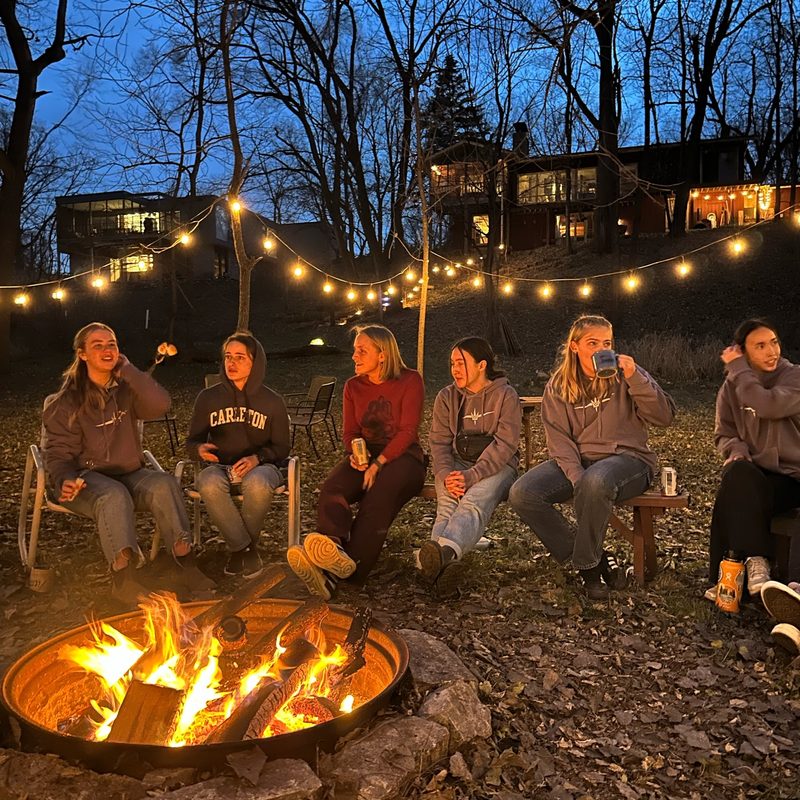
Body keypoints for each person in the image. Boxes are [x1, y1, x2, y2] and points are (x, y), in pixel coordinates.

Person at [43, 322, 215, 606]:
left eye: (111, 344)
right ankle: (123, 579)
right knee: (113, 495)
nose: (107, 349)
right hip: (87, 479)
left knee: (164, 484)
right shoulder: (65, 402)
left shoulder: (125, 389)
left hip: (129, 472)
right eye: (97, 345)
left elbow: (160, 404)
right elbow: (58, 453)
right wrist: (65, 479)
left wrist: (129, 371)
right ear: (82, 354)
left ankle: (184, 563)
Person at [508, 314, 676, 600]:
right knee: (523, 493)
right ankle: (595, 557)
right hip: (581, 461)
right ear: (575, 347)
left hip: (630, 460)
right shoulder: (559, 386)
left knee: (597, 480)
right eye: (593, 342)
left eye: (607, 342)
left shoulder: (628, 375)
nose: (601, 348)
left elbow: (664, 416)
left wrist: (637, 377)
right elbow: (559, 441)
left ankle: (588, 569)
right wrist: (577, 476)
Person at [287, 324, 425, 600]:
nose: (354, 356)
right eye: (354, 351)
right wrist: (356, 454)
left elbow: (408, 432)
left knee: (379, 494)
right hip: (366, 454)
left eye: (362, 350)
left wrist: (379, 463)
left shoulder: (410, 380)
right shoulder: (353, 386)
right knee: (332, 488)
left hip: (405, 457)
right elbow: (350, 432)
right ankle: (332, 550)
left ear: (382, 354)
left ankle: (352, 572)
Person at [708, 319, 800, 599]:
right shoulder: (730, 388)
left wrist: (738, 369)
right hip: (765, 477)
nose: (771, 351)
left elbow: (768, 405)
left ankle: (796, 587)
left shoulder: (794, 377)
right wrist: (737, 450)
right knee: (735, 478)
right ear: (744, 351)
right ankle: (747, 568)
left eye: (773, 342)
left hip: (796, 475)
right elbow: (724, 432)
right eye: (760, 346)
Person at [186, 332, 290, 580]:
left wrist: (258, 458)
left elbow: (283, 447)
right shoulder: (208, 398)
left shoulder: (272, 401)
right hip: (220, 466)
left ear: (255, 363)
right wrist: (199, 449)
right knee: (208, 482)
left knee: (257, 483)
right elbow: (193, 441)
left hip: (263, 466)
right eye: (228, 357)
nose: (231, 363)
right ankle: (244, 548)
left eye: (240, 357)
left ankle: (240, 550)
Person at [422, 337, 521, 596]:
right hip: (457, 463)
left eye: (461, 363)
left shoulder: (505, 395)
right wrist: (445, 475)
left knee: (474, 500)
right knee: (447, 505)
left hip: (498, 465)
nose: (455, 369)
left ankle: (438, 557)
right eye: (452, 363)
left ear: (481, 365)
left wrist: (472, 475)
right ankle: (443, 567)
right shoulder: (446, 397)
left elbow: (504, 445)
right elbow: (439, 442)